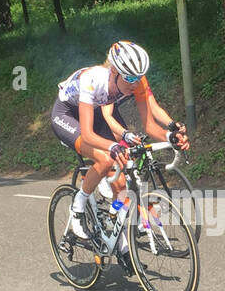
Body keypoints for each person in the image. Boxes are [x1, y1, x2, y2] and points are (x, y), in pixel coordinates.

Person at [51, 41, 189, 242]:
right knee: (105, 158)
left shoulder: (136, 82)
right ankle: (77, 208)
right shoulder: (93, 79)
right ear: (114, 71)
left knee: (123, 182)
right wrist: (114, 145)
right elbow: (88, 134)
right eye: (130, 78)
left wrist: (170, 137)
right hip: (67, 114)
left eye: (139, 77)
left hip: (95, 112)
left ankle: (118, 239)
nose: (135, 83)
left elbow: (149, 125)